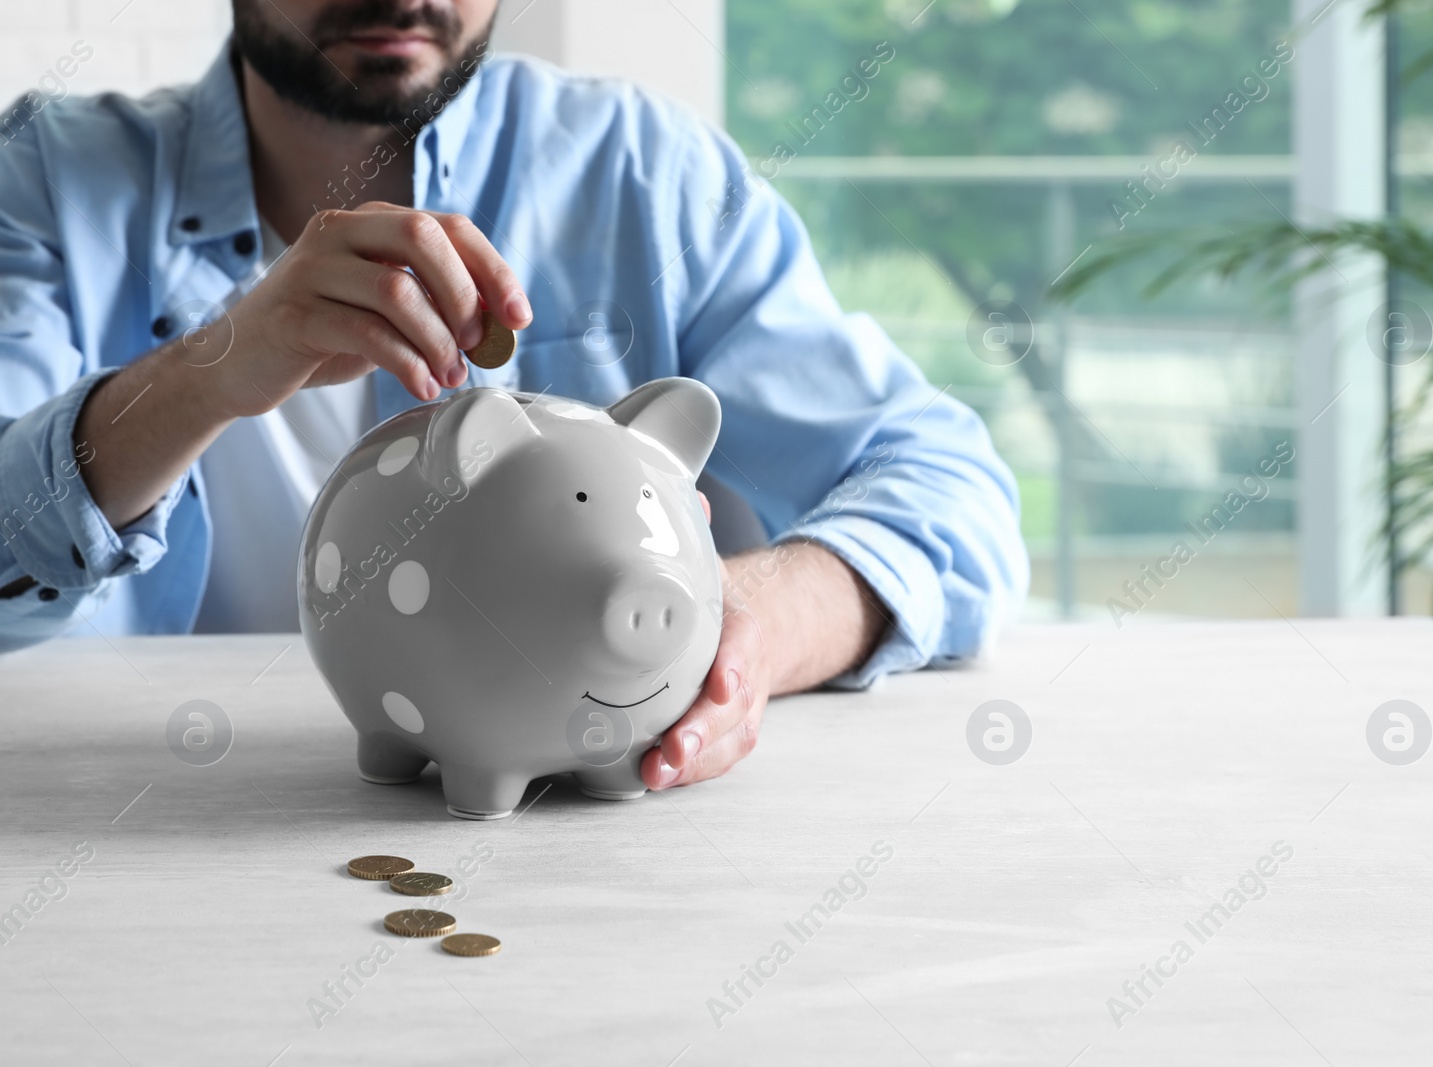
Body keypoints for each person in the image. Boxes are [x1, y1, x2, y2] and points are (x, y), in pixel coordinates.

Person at [0, 0, 1028, 790]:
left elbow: (949, 489)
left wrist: (744, 618)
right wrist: (204, 372)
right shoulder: (49, 175)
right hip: (160, 838)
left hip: (591, 865)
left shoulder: (638, 168)